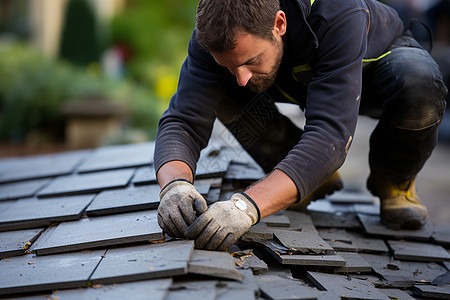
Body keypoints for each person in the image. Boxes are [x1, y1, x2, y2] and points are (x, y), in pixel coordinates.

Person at [155, 0, 447, 251]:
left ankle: (394, 181)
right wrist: (174, 186)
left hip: (371, 68)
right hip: (294, 74)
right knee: (222, 90)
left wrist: (245, 207)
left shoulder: (338, 13)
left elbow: (329, 136)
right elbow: (184, 118)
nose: (241, 78)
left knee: (419, 85)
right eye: (230, 66)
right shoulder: (217, 31)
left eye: (250, 60)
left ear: (279, 23)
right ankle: (298, 174)